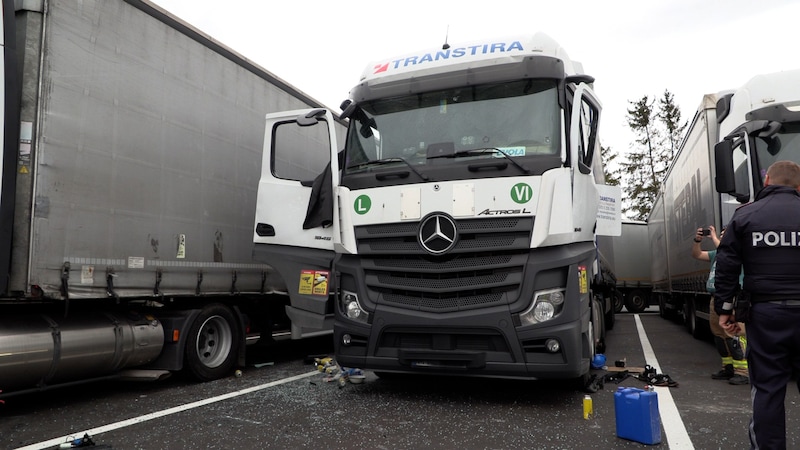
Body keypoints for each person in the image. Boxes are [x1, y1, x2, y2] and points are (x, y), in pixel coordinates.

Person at [715, 160, 800, 449]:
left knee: (767, 390)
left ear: (766, 182)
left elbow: (726, 267)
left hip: (766, 316)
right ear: (799, 187)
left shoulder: (746, 216)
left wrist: (726, 310)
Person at [691, 225, 748, 385]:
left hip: (734, 297)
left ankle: (743, 372)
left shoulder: (738, 251)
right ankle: (728, 367)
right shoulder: (717, 253)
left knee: (734, 334)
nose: (721, 237)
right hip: (716, 296)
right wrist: (697, 240)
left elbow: (727, 251)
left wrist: (716, 238)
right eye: (721, 235)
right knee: (718, 333)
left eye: (725, 235)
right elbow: (696, 254)